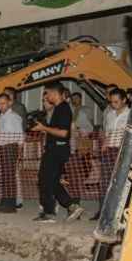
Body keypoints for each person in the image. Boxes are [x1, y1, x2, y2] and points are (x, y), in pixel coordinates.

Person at [31, 84, 84, 222]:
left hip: (57, 150)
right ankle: (71, 206)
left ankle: (50, 213)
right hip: (54, 149)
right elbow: (57, 130)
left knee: (46, 179)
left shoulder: (63, 109)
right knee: (50, 180)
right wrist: (45, 129)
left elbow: (63, 133)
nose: (46, 97)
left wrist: (45, 128)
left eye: (47, 94)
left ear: (55, 93)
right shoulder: (59, 108)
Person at [91, 88, 130, 220]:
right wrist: (104, 143)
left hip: (123, 151)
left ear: (124, 100)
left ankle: (123, 212)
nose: (113, 104)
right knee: (104, 181)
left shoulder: (131, 115)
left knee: (121, 181)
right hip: (109, 151)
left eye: (116, 102)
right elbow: (107, 133)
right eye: (111, 102)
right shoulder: (109, 114)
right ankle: (102, 211)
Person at [0, 94, 24, 213]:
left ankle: (10, 205)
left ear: (10, 103)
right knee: (4, 177)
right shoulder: (2, 117)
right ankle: (4, 202)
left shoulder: (14, 117)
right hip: (2, 148)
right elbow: (1, 134)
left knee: (9, 177)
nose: (1, 106)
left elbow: (20, 136)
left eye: (3, 103)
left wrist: (19, 153)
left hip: (10, 148)